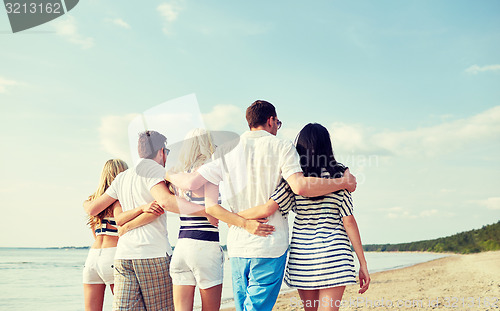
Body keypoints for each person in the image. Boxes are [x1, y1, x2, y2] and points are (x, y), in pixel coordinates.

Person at [168, 100, 358, 311]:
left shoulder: (224, 151)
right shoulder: (282, 146)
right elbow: (300, 187)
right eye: (278, 123)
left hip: (238, 246)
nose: (277, 128)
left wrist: (166, 173)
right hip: (269, 245)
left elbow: (209, 204)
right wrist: (343, 182)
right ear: (271, 120)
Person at [83, 130, 271, 311]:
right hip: (174, 250)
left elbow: (94, 209)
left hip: (149, 253)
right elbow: (167, 202)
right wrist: (208, 212)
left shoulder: (134, 177)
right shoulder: (174, 173)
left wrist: (126, 223)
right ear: (160, 151)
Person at [239, 123, 370, 311]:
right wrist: (363, 263)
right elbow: (348, 221)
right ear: (327, 146)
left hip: (303, 258)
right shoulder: (341, 178)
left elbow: (268, 208)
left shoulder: (293, 180)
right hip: (335, 256)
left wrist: (234, 217)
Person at [83, 159, 128, 311]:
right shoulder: (122, 200)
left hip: (92, 258)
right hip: (113, 255)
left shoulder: (92, 200)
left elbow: (95, 234)